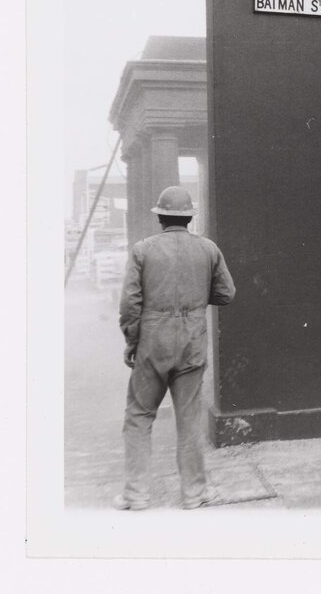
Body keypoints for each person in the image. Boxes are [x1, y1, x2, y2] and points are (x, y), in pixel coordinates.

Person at [112, 185, 236, 510]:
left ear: (160, 218)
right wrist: (195, 302)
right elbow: (227, 294)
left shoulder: (143, 250)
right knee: (190, 419)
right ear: (190, 217)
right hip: (192, 341)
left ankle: (135, 495)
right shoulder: (208, 249)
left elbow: (129, 303)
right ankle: (194, 494)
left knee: (139, 416)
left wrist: (131, 339)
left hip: (152, 341)